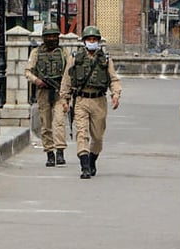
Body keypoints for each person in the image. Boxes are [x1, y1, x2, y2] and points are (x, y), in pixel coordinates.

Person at [59, 26, 122, 179]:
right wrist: (64, 99)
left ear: (98, 41)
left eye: (94, 39)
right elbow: (66, 80)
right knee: (82, 133)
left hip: (99, 101)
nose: (92, 42)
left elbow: (113, 79)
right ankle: (85, 166)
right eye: (89, 39)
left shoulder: (105, 59)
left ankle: (92, 159)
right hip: (80, 100)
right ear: (84, 41)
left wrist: (116, 94)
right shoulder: (75, 58)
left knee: (98, 137)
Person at [24, 23, 72, 167]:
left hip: (59, 92)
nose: (52, 39)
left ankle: (60, 152)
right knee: (46, 124)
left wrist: (66, 90)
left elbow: (69, 71)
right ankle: (49, 153)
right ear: (44, 38)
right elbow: (27, 72)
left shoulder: (63, 53)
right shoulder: (36, 53)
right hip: (43, 92)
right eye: (49, 36)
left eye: (54, 36)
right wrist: (36, 80)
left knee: (59, 122)